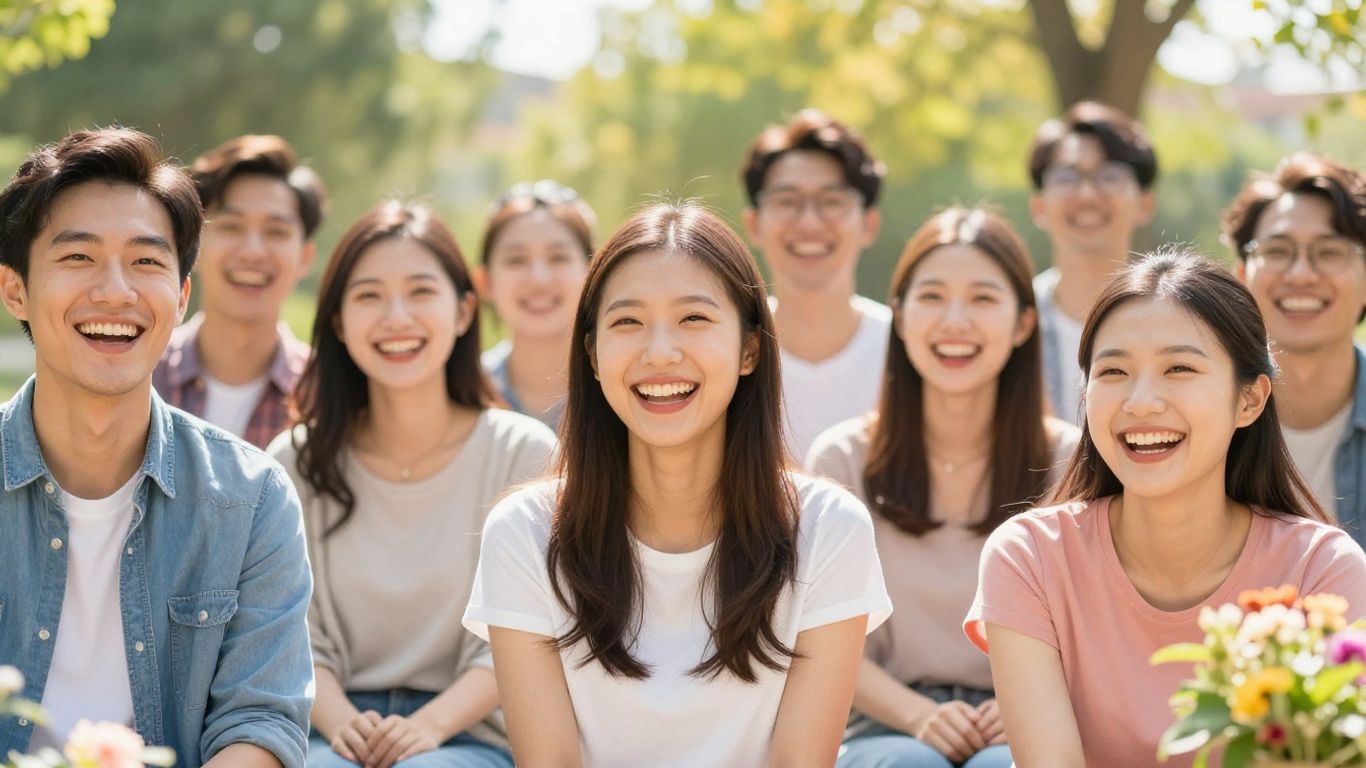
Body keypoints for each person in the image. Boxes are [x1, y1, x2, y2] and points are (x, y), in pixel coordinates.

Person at [464, 203, 892, 768]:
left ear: (749, 348)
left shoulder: (829, 528)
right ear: (591, 355)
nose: (660, 351)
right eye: (627, 322)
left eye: (694, 319)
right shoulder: (524, 532)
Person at [966, 250, 1366, 767]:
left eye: (1178, 368)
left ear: (1250, 400)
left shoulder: (1323, 571)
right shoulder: (1030, 558)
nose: (1141, 402)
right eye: (1113, 371)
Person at [0, 128, 313, 767]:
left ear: (180, 295)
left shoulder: (252, 499)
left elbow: (260, 719)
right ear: (15, 291)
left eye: (146, 261)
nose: (116, 292)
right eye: (78, 257)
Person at [268, 201, 556, 768]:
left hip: (472, 738)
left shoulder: (524, 453)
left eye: (421, 292)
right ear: (337, 323)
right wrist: (344, 724)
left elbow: (533, 633)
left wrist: (429, 727)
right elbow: (288, 631)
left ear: (465, 310)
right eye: (370, 296)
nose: (396, 316)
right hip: (330, 731)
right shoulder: (295, 460)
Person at [807, 207, 1077, 768]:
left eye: (982, 299)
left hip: (1026, 714)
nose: (955, 320)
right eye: (932, 297)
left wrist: (1024, 703)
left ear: (1024, 322)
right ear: (899, 317)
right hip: (880, 724)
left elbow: (1089, 624)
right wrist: (917, 716)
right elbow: (819, 634)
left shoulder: (1069, 459)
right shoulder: (843, 459)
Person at [154, 135, 327, 448]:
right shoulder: (143, 375)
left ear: (305, 258)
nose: (252, 251)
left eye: (276, 232)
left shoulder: (327, 395)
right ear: (194, 246)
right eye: (231, 226)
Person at [1225, 154, 1366, 538]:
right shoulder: (1201, 421)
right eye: (1277, 251)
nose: (1301, 274)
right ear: (1241, 275)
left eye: (1330, 251)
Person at [740, 109, 891, 459]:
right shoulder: (726, 354)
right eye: (787, 202)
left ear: (869, 224)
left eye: (832, 202)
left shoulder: (908, 349)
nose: (809, 222)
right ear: (754, 225)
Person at [1028, 101, 1158, 424]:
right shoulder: (1008, 322)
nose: (1087, 194)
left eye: (1110, 176)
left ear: (1145, 203)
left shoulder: (1179, 319)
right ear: (1038, 206)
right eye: (1067, 177)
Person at [477, 180, 594, 430]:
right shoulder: (461, 394)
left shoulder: (622, 388)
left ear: (592, 272)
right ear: (484, 282)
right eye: (516, 260)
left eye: (558, 257)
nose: (539, 279)